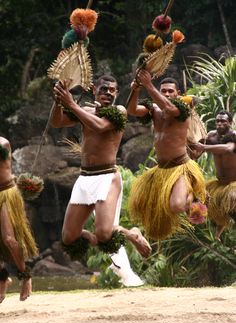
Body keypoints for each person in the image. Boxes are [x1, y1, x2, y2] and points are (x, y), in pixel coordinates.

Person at [49, 75, 151, 286]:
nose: (108, 93)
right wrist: (58, 100)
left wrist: (70, 104)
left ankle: (132, 234)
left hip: (107, 177)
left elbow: (100, 126)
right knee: (69, 237)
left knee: (105, 233)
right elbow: (56, 121)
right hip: (85, 178)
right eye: (104, 89)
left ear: (116, 93)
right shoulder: (84, 111)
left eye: (112, 90)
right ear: (94, 89)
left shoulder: (119, 112)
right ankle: (109, 236)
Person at [127, 71, 207, 241]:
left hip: (180, 167)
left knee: (177, 205)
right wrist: (135, 89)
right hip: (161, 169)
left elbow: (169, 108)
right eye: (164, 91)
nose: (167, 94)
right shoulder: (154, 109)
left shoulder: (181, 109)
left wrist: (148, 85)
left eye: (171, 91)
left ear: (178, 94)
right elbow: (132, 110)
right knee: (141, 205)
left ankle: (194, 199)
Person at [0, 136, 38, 303]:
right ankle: (2, 280)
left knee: (9, 239)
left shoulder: (3, 143)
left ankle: (25, 276)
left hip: (6, 193)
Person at [192, 110, 236, 240]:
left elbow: (228, 148)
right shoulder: (211, 136)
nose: (219, 123)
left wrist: (203, 148)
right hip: (219, 183)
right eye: (217, 121)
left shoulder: (234, 136)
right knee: (201, 202)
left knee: (233, 206)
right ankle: (215, 234)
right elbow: (196, 152)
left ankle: (219, 234)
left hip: (234, 183)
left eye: (223, 121)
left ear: (230, 123)